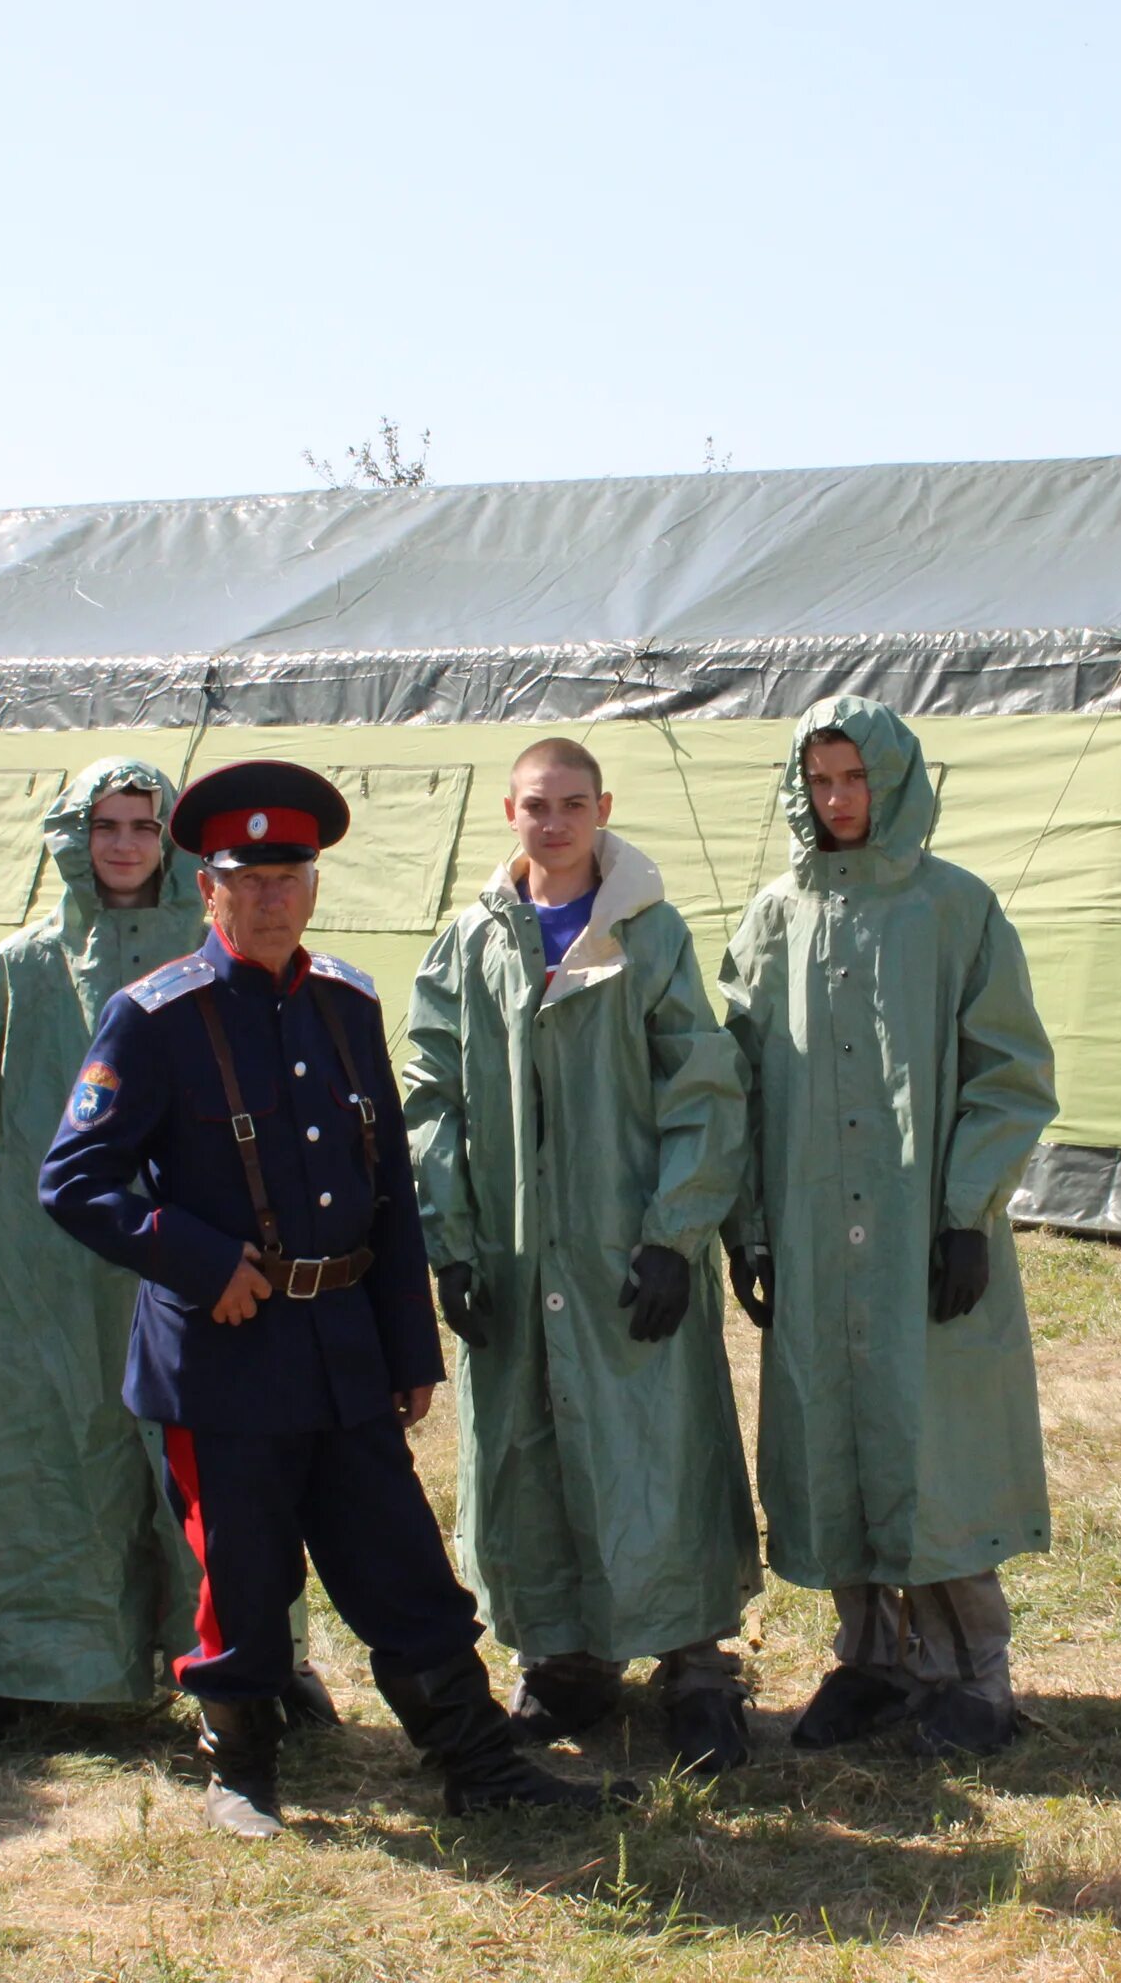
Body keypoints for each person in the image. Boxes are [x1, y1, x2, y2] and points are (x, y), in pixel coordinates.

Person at [41, 759, 618, 1836]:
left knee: (401, 1557)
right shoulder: (153, 1018)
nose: (269, 898)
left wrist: (409, 1346)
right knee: (244, 1576)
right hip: (224, 1357)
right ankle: (241, 1772)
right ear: (205, 887)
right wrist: (200, 1259)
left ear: (313, 886)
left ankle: (478, 1761)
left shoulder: (348, 1004)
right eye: (245, 878)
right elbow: (72, 1180)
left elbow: (387, 1186)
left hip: (342, 1344)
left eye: (289, 876)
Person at [0, 761, 335, 1751]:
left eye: (144, 825)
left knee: (218, 1459)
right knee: (35, 1448)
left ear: (175, 840)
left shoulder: (215, 952)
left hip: (189, 1248)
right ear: (72, 836)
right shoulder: (30, 964)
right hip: (47, 1263)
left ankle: (260, 1660)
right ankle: (8, 1661)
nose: (123, 844)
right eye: (106, 824)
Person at [402, 737, 760, 1772]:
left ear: (603, 807)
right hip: (516, 1256)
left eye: (570, 804)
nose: (552, 823)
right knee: (530, 1449)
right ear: (506, 813)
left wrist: (672, 1234)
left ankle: (696, 1660)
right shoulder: (470, 942)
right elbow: (434, 1093)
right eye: (533, 805)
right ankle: (563, 1655)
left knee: (661, 1446)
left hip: (626, 1253)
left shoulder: (647, 937)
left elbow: (701, 1085)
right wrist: (454, 1241)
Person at [719, 697, 1059, 1759]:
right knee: (835, 1437)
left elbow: (1009, 1073)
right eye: (820, 781)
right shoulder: (776, 916)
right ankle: (871, 1656)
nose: (837, 801)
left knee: (935, 1438)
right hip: (819, 1237)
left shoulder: (958, 909)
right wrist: (753, 1227)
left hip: (922, 1233)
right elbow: (736, 1078)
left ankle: (971, 1672)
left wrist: (966, 1211)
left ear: (897, 780)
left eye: (855, 779)